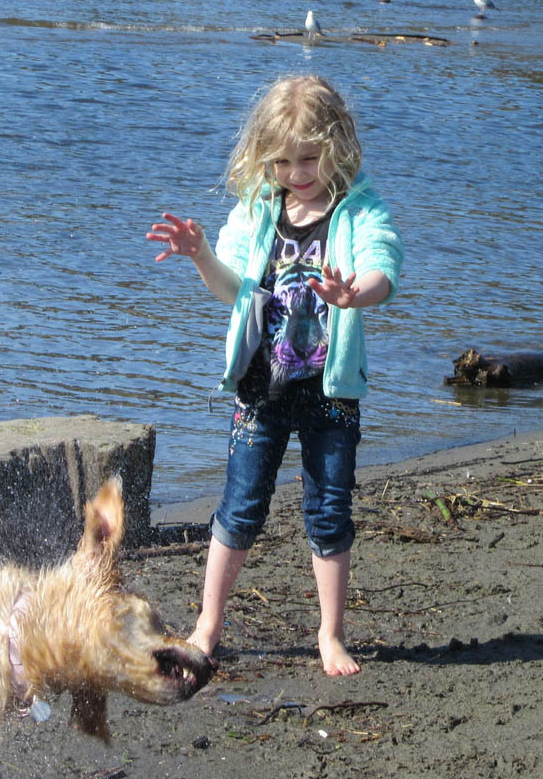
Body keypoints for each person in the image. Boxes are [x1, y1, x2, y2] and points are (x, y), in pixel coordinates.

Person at [146, 75, 404, 676]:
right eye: (283, 161)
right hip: (260, 390)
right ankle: (208, 624)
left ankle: (330, 634)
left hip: (331, 393)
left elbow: (383, 270)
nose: (296, 172)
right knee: (238, 507)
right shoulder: (259, 209)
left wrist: (351, 295)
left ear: (337, 146)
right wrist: (202, 255)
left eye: (309, 158)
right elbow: (232, 288)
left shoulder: (359, 208)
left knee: (329, 510)